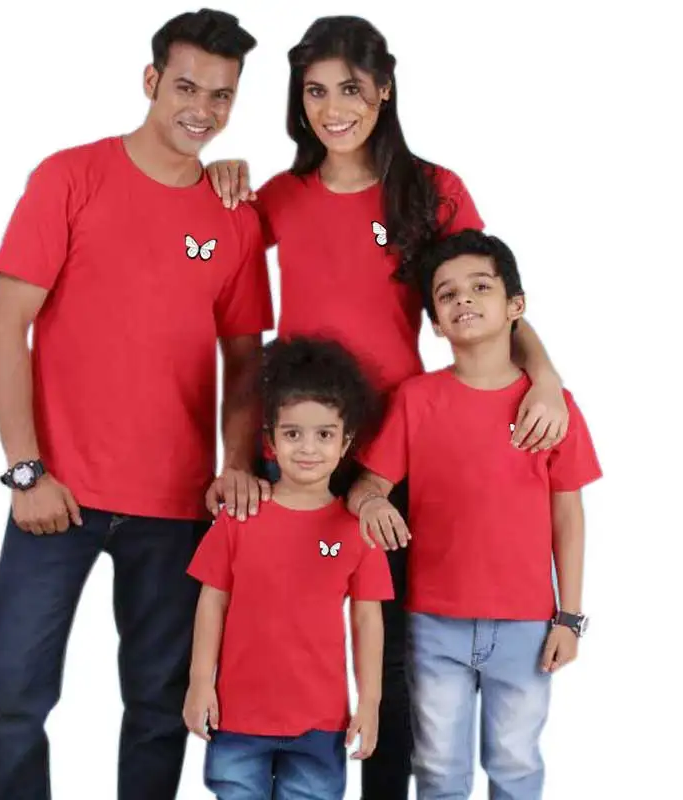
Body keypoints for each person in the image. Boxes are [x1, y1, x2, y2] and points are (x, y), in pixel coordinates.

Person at [205, 16, 570, 799]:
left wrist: (543, 373)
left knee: (397, 648)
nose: (333, 108)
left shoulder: (432, 191)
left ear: (385, 89)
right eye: (314, 92)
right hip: (298, 449)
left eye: (350, 88)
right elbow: (210, 256)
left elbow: (485, 289)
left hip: (399, 455)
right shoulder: (282, 196)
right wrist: (222, 174)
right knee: (283, 634)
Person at [0, 10, 273, 800]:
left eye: (221, 96)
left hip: (176, 506)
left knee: (157, 706)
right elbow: (7, 326)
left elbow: (246, 358)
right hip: (58, 495)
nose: (202, 110)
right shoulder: (69, 177)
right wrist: (26, 472)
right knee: (16, 698)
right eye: (186, 87)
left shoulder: (235, 213)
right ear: (150, 81)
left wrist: (236, 464)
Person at [348, 230, 602, 799]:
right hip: (433, 623)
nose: (463, 298)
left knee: (515, 765)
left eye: (480, 287)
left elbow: (569, 515)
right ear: (436, 323)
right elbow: (370, 483)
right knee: (438, 769)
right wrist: (370, 501)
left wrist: (570, 617)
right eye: (446, 294)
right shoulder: (416, 399)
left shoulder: (552, 410)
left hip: (526, 625)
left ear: (515, 306)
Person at [183, 337, 394, 800]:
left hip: (320, 723)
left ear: (346, 442)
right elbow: (212, 602)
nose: (308, 448)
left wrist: (370, 702)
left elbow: (367, 619)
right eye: (293, 433)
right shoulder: (239, 518)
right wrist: (200, 683)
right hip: (238, 718)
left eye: (324, 435)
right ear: (271, 440)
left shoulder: (358, 529)